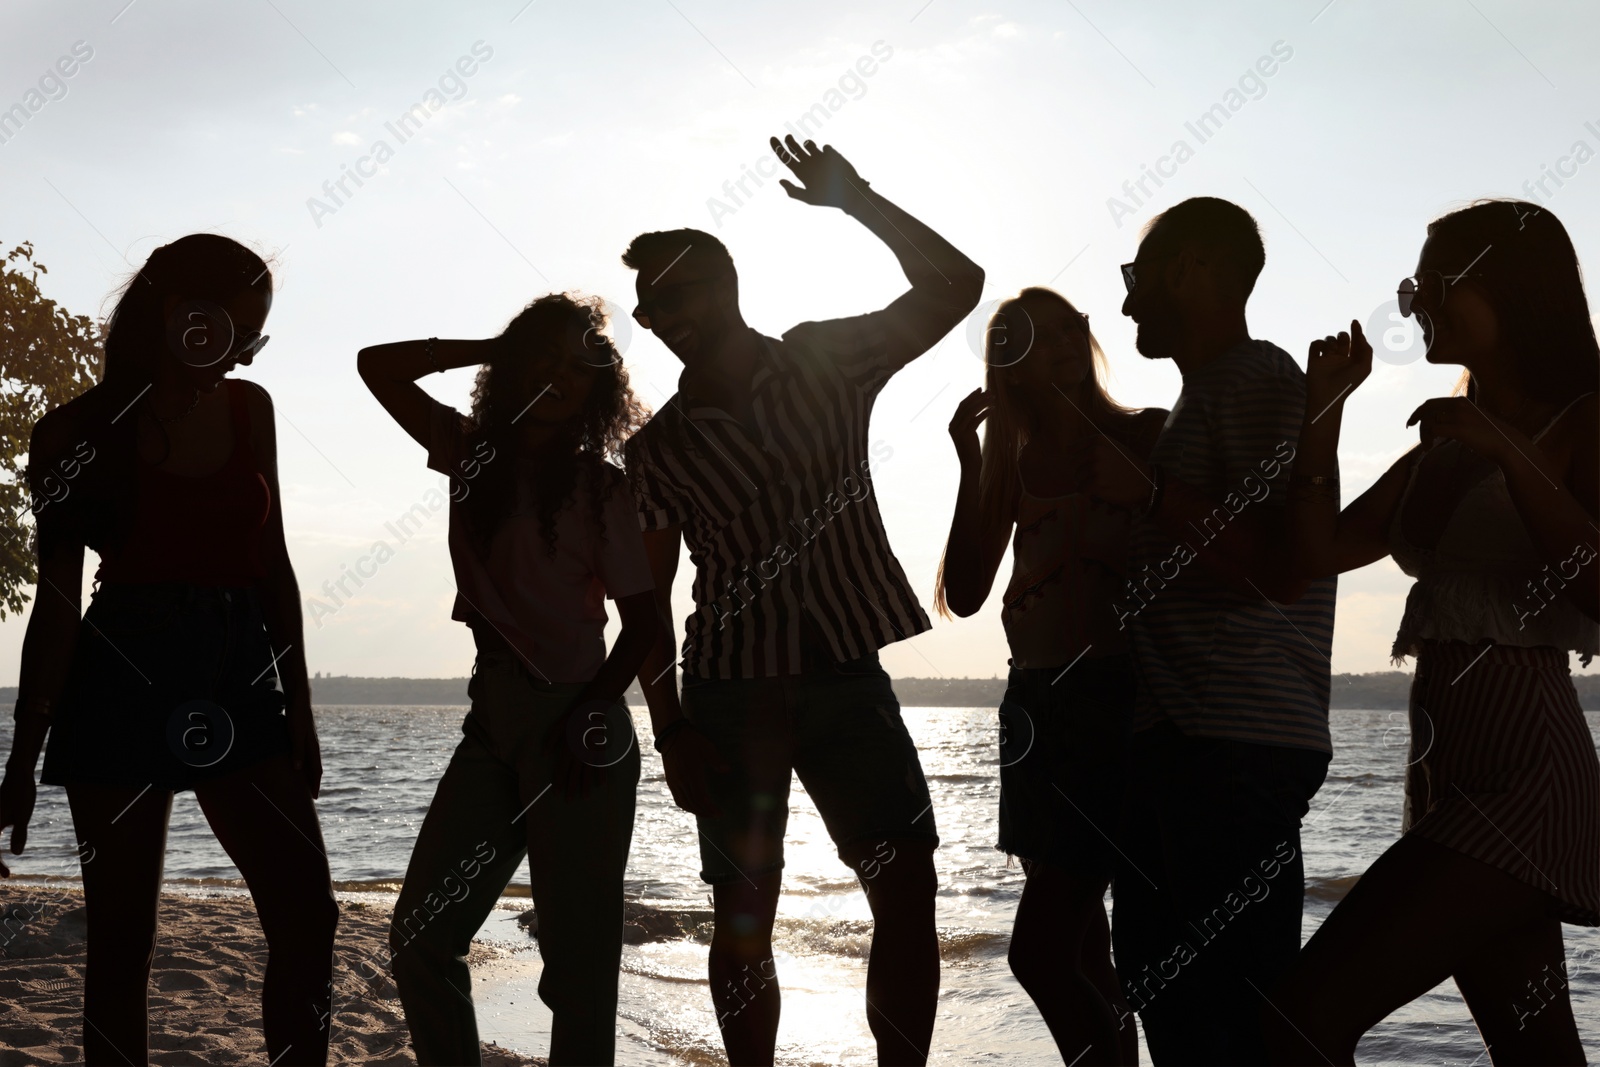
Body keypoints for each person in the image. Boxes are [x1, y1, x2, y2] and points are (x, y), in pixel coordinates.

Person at [621, 134, 983, 1066]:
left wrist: (856, 199)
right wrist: (670, 729)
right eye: (647, 305)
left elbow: (956, 285)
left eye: (674, 293)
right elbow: (648, 600)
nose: (658, 315)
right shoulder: (658, 450)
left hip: (844, 676)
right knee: (742, 910)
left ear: (727, 285)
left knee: (905, 888)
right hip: (732, 695)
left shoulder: (828, 361)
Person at [1264, 199, 1599, 1066]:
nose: (1418, 307)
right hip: (1445, 772)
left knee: (1301, 1014)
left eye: (1441, 285)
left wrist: (1509, 450)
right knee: (1539, 1055)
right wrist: (1324, 412)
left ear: (1516, 294)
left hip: (1528, 770)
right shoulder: (1441, 440)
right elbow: (1313, 551)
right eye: (1416, 287)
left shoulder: (1583, 422)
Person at [0, 234, 338, 1065]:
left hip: (238, 674)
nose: (242, 351)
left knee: (308, 914)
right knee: (123, 942)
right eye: (235, 326)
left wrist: (299, 704)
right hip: (120, 677)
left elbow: (274, 566)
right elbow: (56, 604)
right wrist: (22, 759)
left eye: (254, 334)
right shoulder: (73, 431)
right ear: (174, 311)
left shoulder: (248, 410)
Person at [357, 293, 657, 1066]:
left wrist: (587, 718)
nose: (558, 378)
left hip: (581, 731)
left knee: (580, 971)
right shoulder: (471, 453)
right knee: (423, 933)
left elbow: (648, 628)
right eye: (542, 361)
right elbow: (376, 368)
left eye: (575, 366)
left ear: (600, 388)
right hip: (492, 725)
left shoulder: (602, 486)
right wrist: (494, 343)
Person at [1081, 197, 1337, 1065]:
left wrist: (1151, 496)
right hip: (1196, 745)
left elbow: (1281, 566)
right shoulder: (1212, 394)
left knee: (1217, 1015)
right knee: (1179, 996)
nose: (1125, 305)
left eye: (1136, 278)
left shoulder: (1258, 378)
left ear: (1192, 266)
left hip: (1231, 750)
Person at [934, 286, 1165, 1065]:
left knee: (1043, 951)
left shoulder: (1147, 435)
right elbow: (963, 594)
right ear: (1011, 365)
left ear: (1086, 335)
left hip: (1119, 698)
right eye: (1032, 339)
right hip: (1034, 709)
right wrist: (972, 467)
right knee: (1081, 946)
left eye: (1067, 329)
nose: (1058, 346)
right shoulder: (1015, 461)